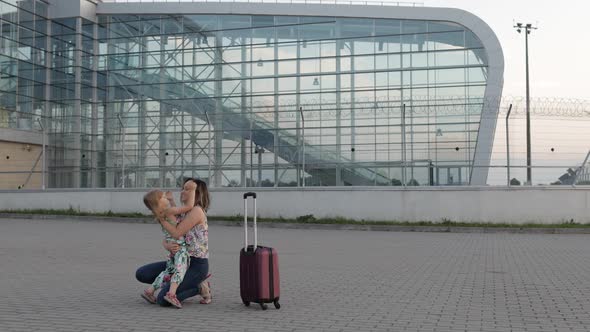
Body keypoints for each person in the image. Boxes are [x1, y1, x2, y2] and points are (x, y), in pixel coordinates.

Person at [135, 178, 212, 307]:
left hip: (196, 265)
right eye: (183, 188)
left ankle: (200, 287)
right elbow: (170, 236)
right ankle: (174, 282)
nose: (182, 191)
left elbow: (176, 233)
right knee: (142, 273)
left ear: (196, 193)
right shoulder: (180, 211)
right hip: (178, 260)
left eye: (187, 189)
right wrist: (166, 245)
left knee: (163, 300)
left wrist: (164, 217)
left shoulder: (196, 211)